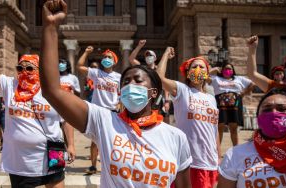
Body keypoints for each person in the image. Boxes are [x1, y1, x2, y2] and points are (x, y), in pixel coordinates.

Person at [40, 1, 192, 187]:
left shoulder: (176, 137)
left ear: (153, 92)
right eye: (125, 82)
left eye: (137, 80)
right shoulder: (105, 121)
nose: (130, 85)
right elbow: (52, 91)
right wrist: (50, 27)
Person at [0, 27, 75, 188]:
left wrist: (70, 144)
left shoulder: (52, 89)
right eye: (20, 68)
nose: (24, 72)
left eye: (29, 68)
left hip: (53, 152)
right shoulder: (10, 85)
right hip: (20, 162)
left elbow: (65, 120)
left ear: (39, 70)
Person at [156, 47, 220, 188]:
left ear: (207, 73)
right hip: (189, 162)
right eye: (194, 66)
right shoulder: (182, 90)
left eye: (201, 67)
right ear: (188, 71)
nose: (198, 69)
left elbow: (214, 131)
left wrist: (218, 158)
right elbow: (158, 78)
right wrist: (166, 54)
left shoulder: (212, 98)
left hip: (210, 164)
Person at [218, 88, 286, 188]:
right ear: (258, 118)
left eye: (282, 109)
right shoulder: (234, 155)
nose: (274, 113)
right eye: (267, 109)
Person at [77, 45, 121, 174]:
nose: (106, 59)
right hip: (96, 111)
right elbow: (79, 66)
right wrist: (85, 52)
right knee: (94, 141)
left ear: (114, 61)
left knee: (112, 140)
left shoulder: (118, 77)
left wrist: (120, 104)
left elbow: (121, 93)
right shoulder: (96, 73)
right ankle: (93, 166)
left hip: (111, 111)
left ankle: (111, 166)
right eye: (105, 57)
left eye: (109, 57)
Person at [247, 35, 286, 129]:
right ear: (285, 69)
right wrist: (252, 49)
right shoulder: (276, 88)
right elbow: (252, 74)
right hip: (282, 138)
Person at [209, 63, 255, 146]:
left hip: (235, 105)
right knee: (220, 127)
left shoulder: (239, 79)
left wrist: (244, 93)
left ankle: (235, 150)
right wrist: (213, 70)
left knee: (233, 128)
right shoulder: (216, 78)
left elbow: (252, 84)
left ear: (233, 70)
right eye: (225, 68)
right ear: (221, 70)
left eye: (230, 69)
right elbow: (204, 77)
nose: (228, 70)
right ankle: (217, 152)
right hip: (220, 104)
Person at [129, 39, 171, 124]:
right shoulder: (143, 69)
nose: (148, 57)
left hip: (158, 97)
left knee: (160, 118)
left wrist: (167, 101)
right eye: (146, 56)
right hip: (145, 96)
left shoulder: (159, 69)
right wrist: (139, 46)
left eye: (150, 55)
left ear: (155, 58)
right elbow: (131, 59)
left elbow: (165, 84)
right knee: (146, 117)